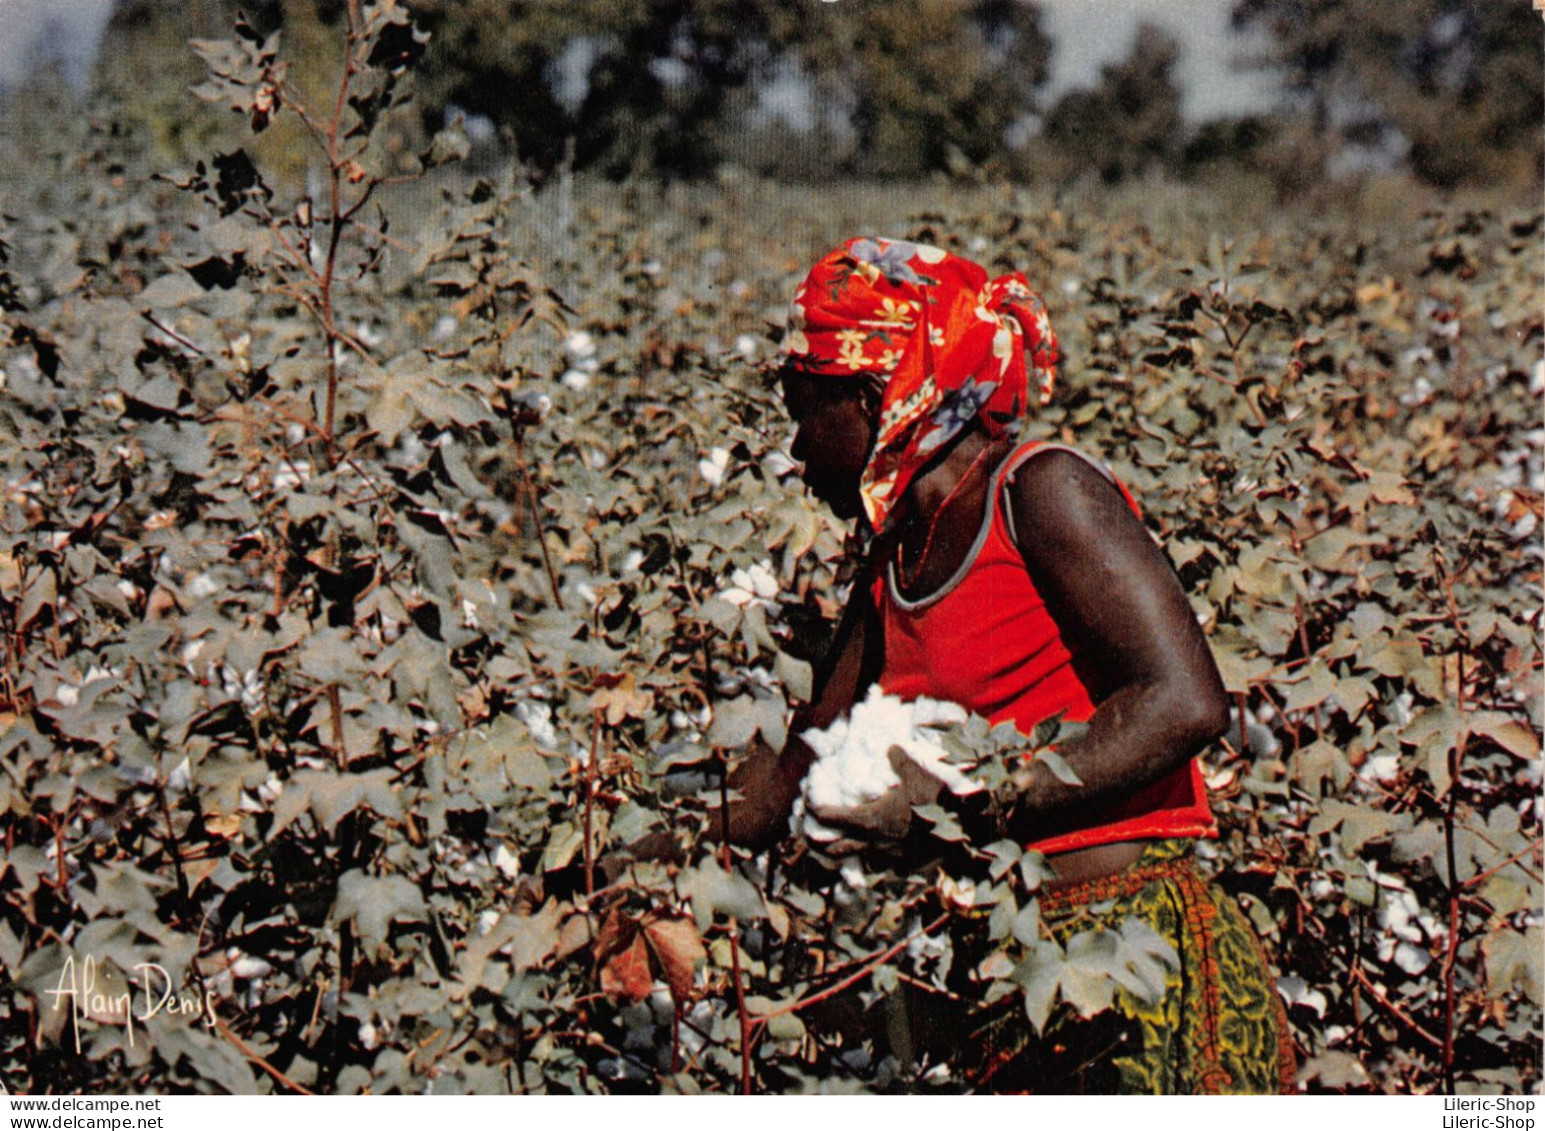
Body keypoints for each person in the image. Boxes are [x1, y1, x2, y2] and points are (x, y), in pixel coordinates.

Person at [724, 235, 1296, 1094]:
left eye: (807, 410)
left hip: (1138, 962)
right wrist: (626, 852)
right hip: (1008, 968)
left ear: (881, 393)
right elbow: (798, 754)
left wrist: (967, 798)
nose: (796, 448)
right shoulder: (891, 559)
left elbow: (1184, 702)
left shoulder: (1040, 489)